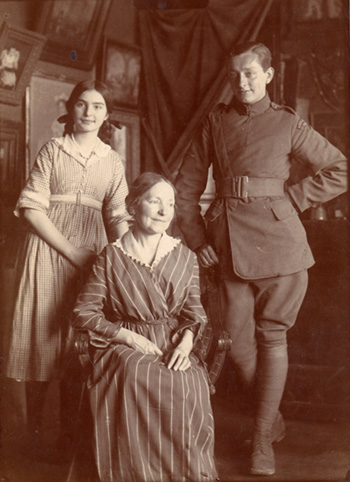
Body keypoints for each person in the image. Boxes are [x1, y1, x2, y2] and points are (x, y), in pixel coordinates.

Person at [175, 41, 347, 476]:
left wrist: (291, 199)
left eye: (251, 73)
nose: (242, 82)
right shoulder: (215, 122)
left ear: (268, 75)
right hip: (227, 247)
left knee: (273, 337)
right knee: (236, 343)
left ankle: (261, 438)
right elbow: (185, 191)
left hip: (282, 246)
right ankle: (271, 419)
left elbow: (340, 168)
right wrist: (197, 240)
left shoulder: (288, 123)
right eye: (235, 75)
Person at [4, 80, 129, 457]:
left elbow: (118, 215)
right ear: (70, 109)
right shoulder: (53, 150)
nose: (88, 113)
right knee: (40, 336)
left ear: (107, 115)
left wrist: (125, 259)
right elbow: (30, 209)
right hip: (47, 248)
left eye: (97, 106)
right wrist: (71, 251)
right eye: (81, 104)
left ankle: (69, 438)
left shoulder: (112, 160)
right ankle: (34, 432)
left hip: (92, 255)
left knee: (79, 340)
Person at [72, 172, 218, 482]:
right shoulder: (111, 256)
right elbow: (84, 312)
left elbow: (194, 313)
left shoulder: (185, 257)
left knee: (187, 381)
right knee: (136, 374)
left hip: (170, 341)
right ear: (134, 207)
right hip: (125, 345)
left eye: (171, 203)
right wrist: (126, 336)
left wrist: (186, 343)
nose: (165, 212)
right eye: (155, 202)